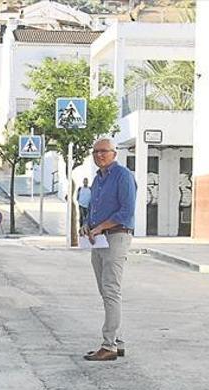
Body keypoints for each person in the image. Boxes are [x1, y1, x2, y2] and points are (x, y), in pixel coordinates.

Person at [80, 138, 137, 362]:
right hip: (99, 239)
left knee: (111, 290)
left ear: (114, 153)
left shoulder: (123, 176)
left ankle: (109, 345)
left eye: (104, 151)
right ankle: (118, 341)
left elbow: (127, 211)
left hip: (116, 236)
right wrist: (87, 225)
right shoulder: (98, 179)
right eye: (95, 152)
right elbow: (93, 208)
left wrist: (101, 227)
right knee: (106, 292)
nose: (99, 155)